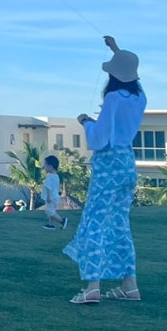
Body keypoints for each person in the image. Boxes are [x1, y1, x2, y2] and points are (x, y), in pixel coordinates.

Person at [63, 35, 147, 304]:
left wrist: (86, 122)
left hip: (109, 164)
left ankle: (93, 287)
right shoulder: (140, 97)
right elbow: (130, 77)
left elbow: (100, 138)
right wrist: (116, 50)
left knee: (95, 222)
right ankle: (130, 285)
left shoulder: (113, 98)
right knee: (120, 223)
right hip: (127, 164)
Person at [41, 156, 68, 230]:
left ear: (50, 166)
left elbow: (49, 187)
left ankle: (62, 221)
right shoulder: (56, 176)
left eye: (45, 165)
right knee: (52, 210)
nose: (44, 167)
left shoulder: (49, 177)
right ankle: (51, 225)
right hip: (55, 196)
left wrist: (48, 197)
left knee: (49, 211)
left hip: (51, 197)